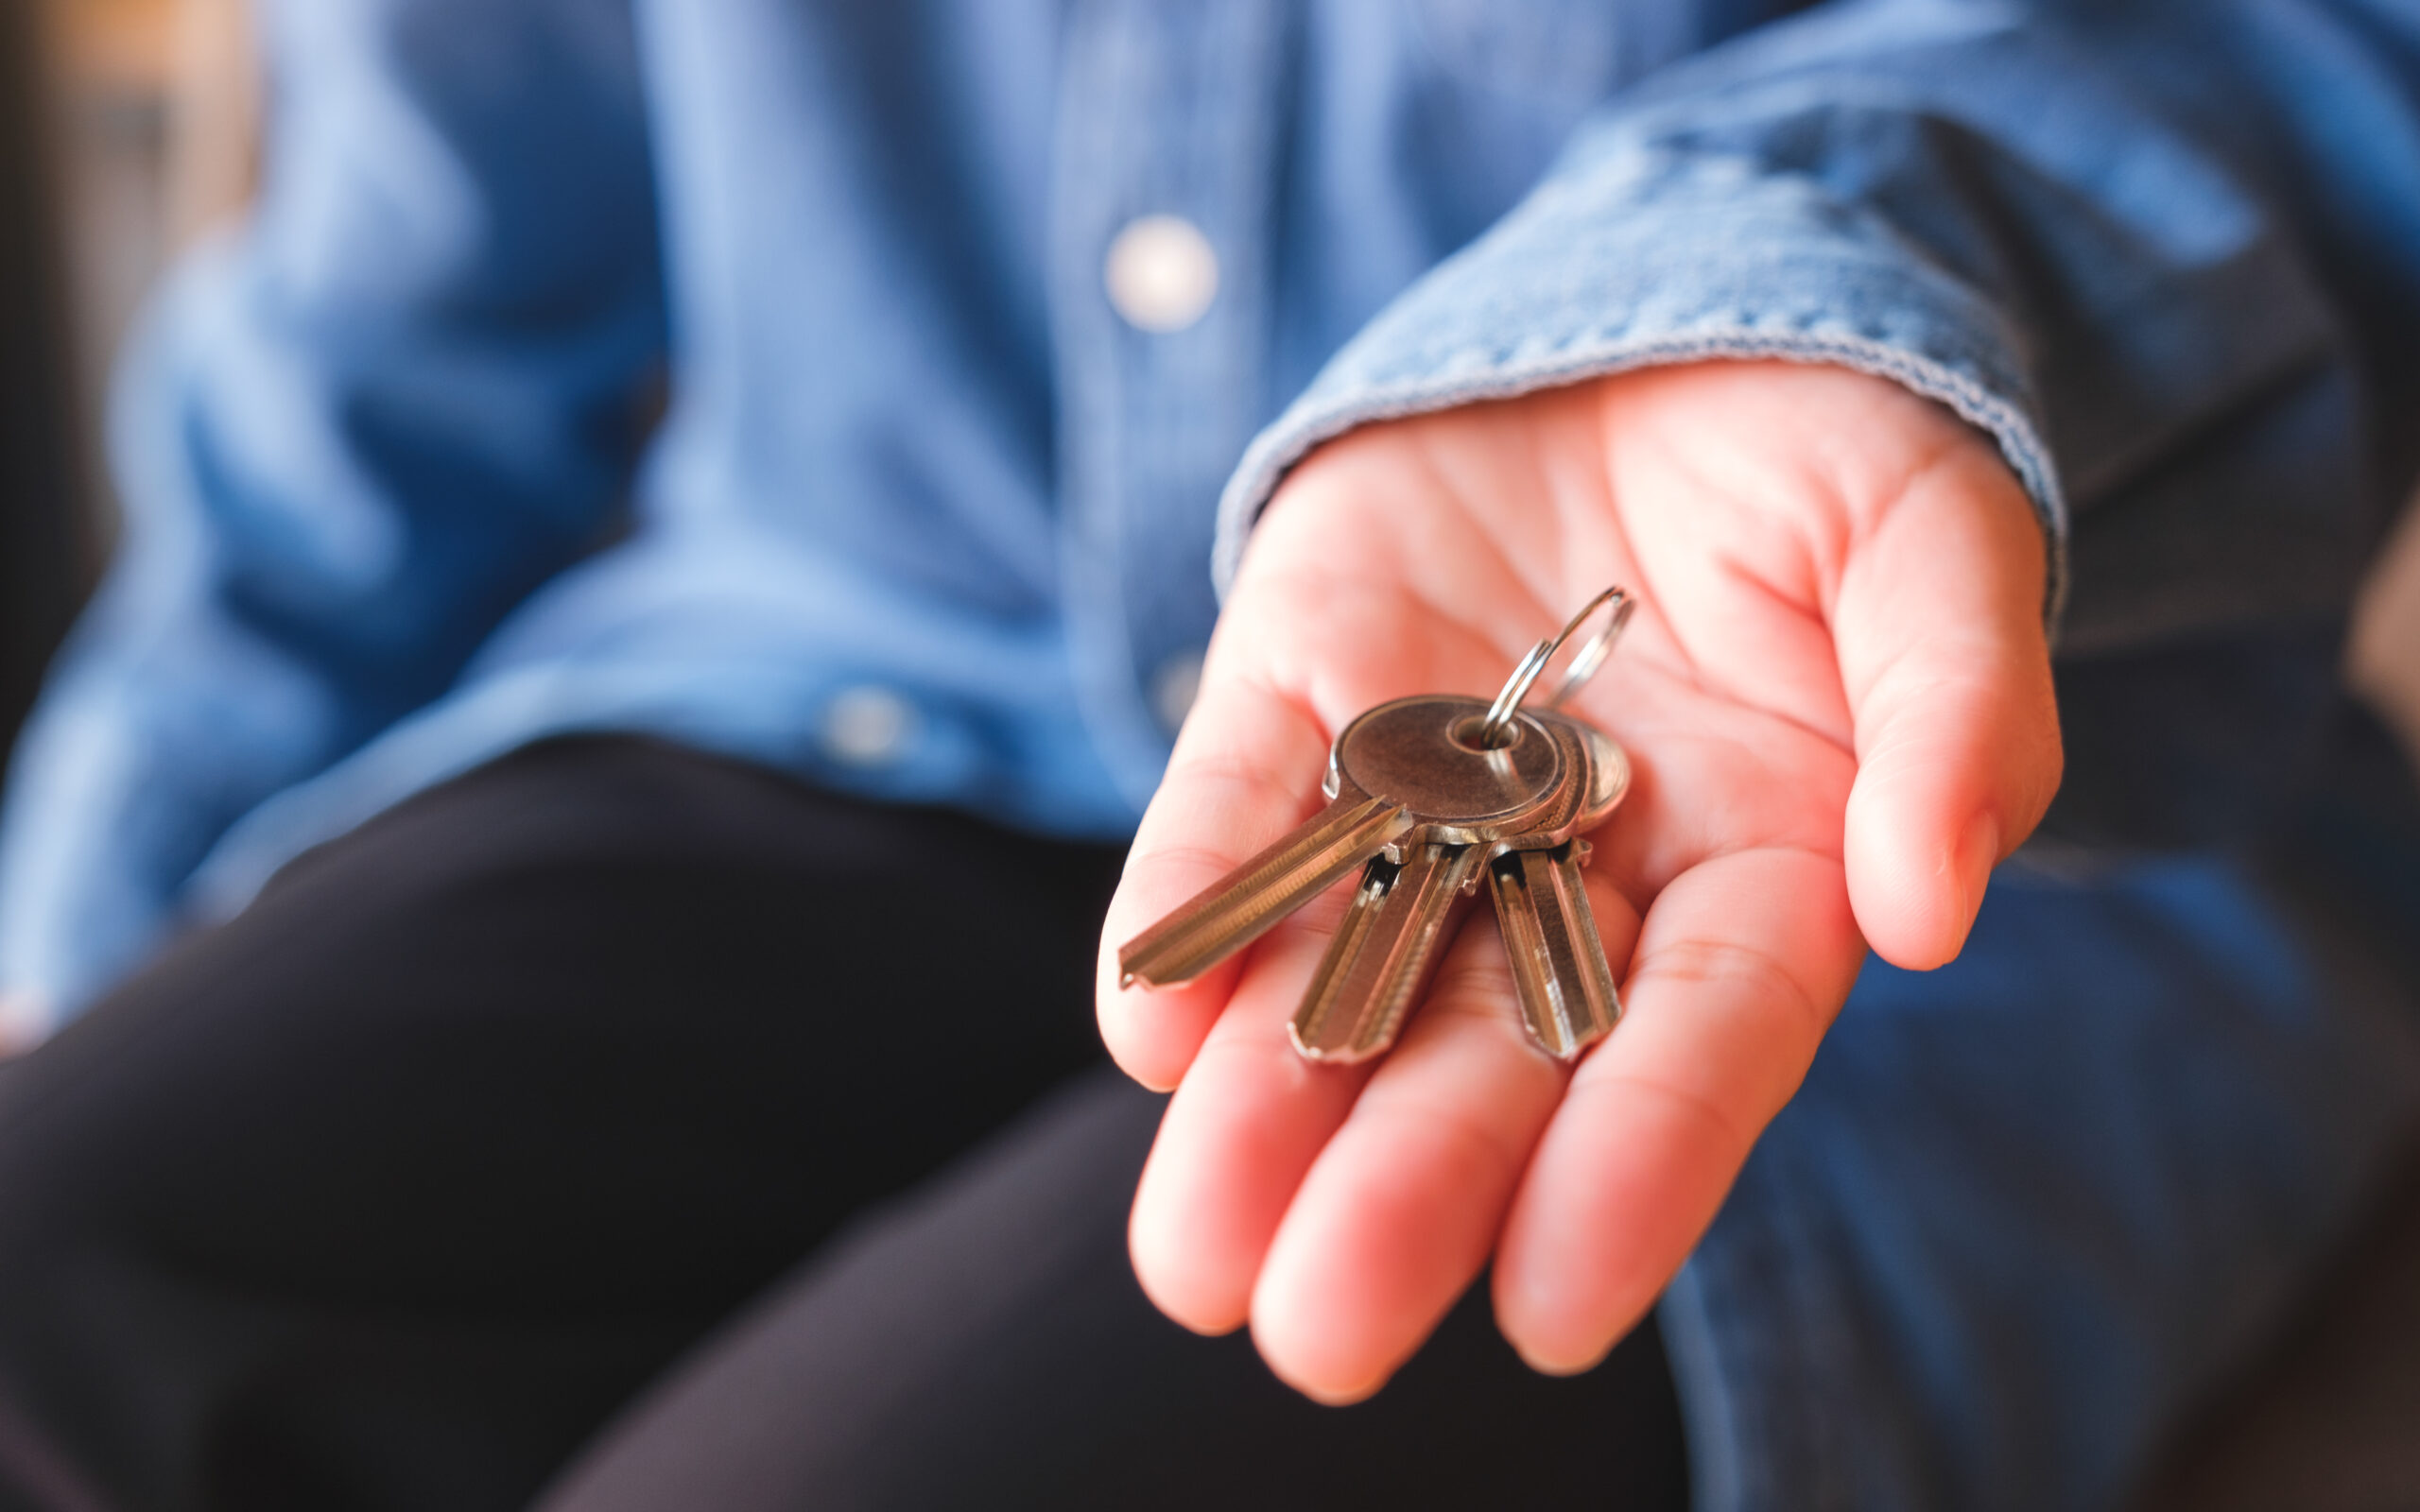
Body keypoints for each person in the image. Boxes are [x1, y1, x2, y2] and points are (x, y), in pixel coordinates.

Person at [1, 1, 2418, 1508]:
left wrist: (1810, 276)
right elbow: (403, 297)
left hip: (1864, 817)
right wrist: (107, 910)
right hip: (814, 672)